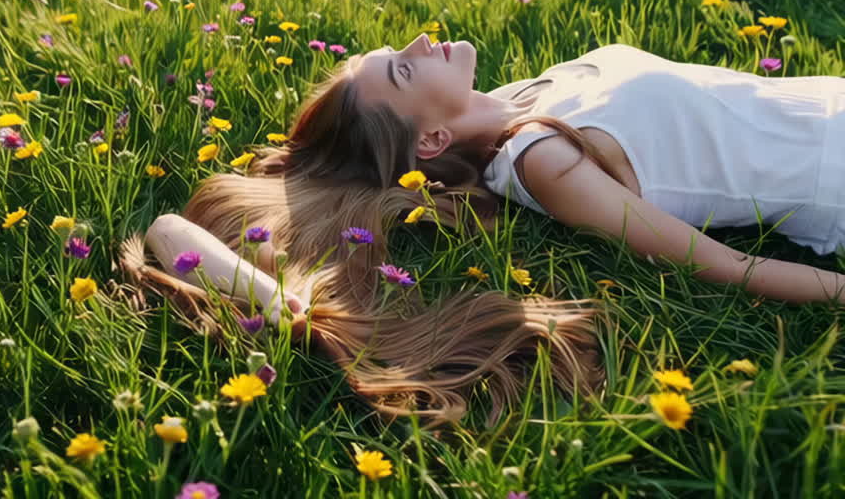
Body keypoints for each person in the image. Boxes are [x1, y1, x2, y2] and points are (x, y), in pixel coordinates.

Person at [118, 35, 845, 425]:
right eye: (402, 71)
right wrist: (282, 304)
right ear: (431, 140)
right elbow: (723, 265)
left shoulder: (525, 96)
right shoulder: (541, 161)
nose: (420, 39)